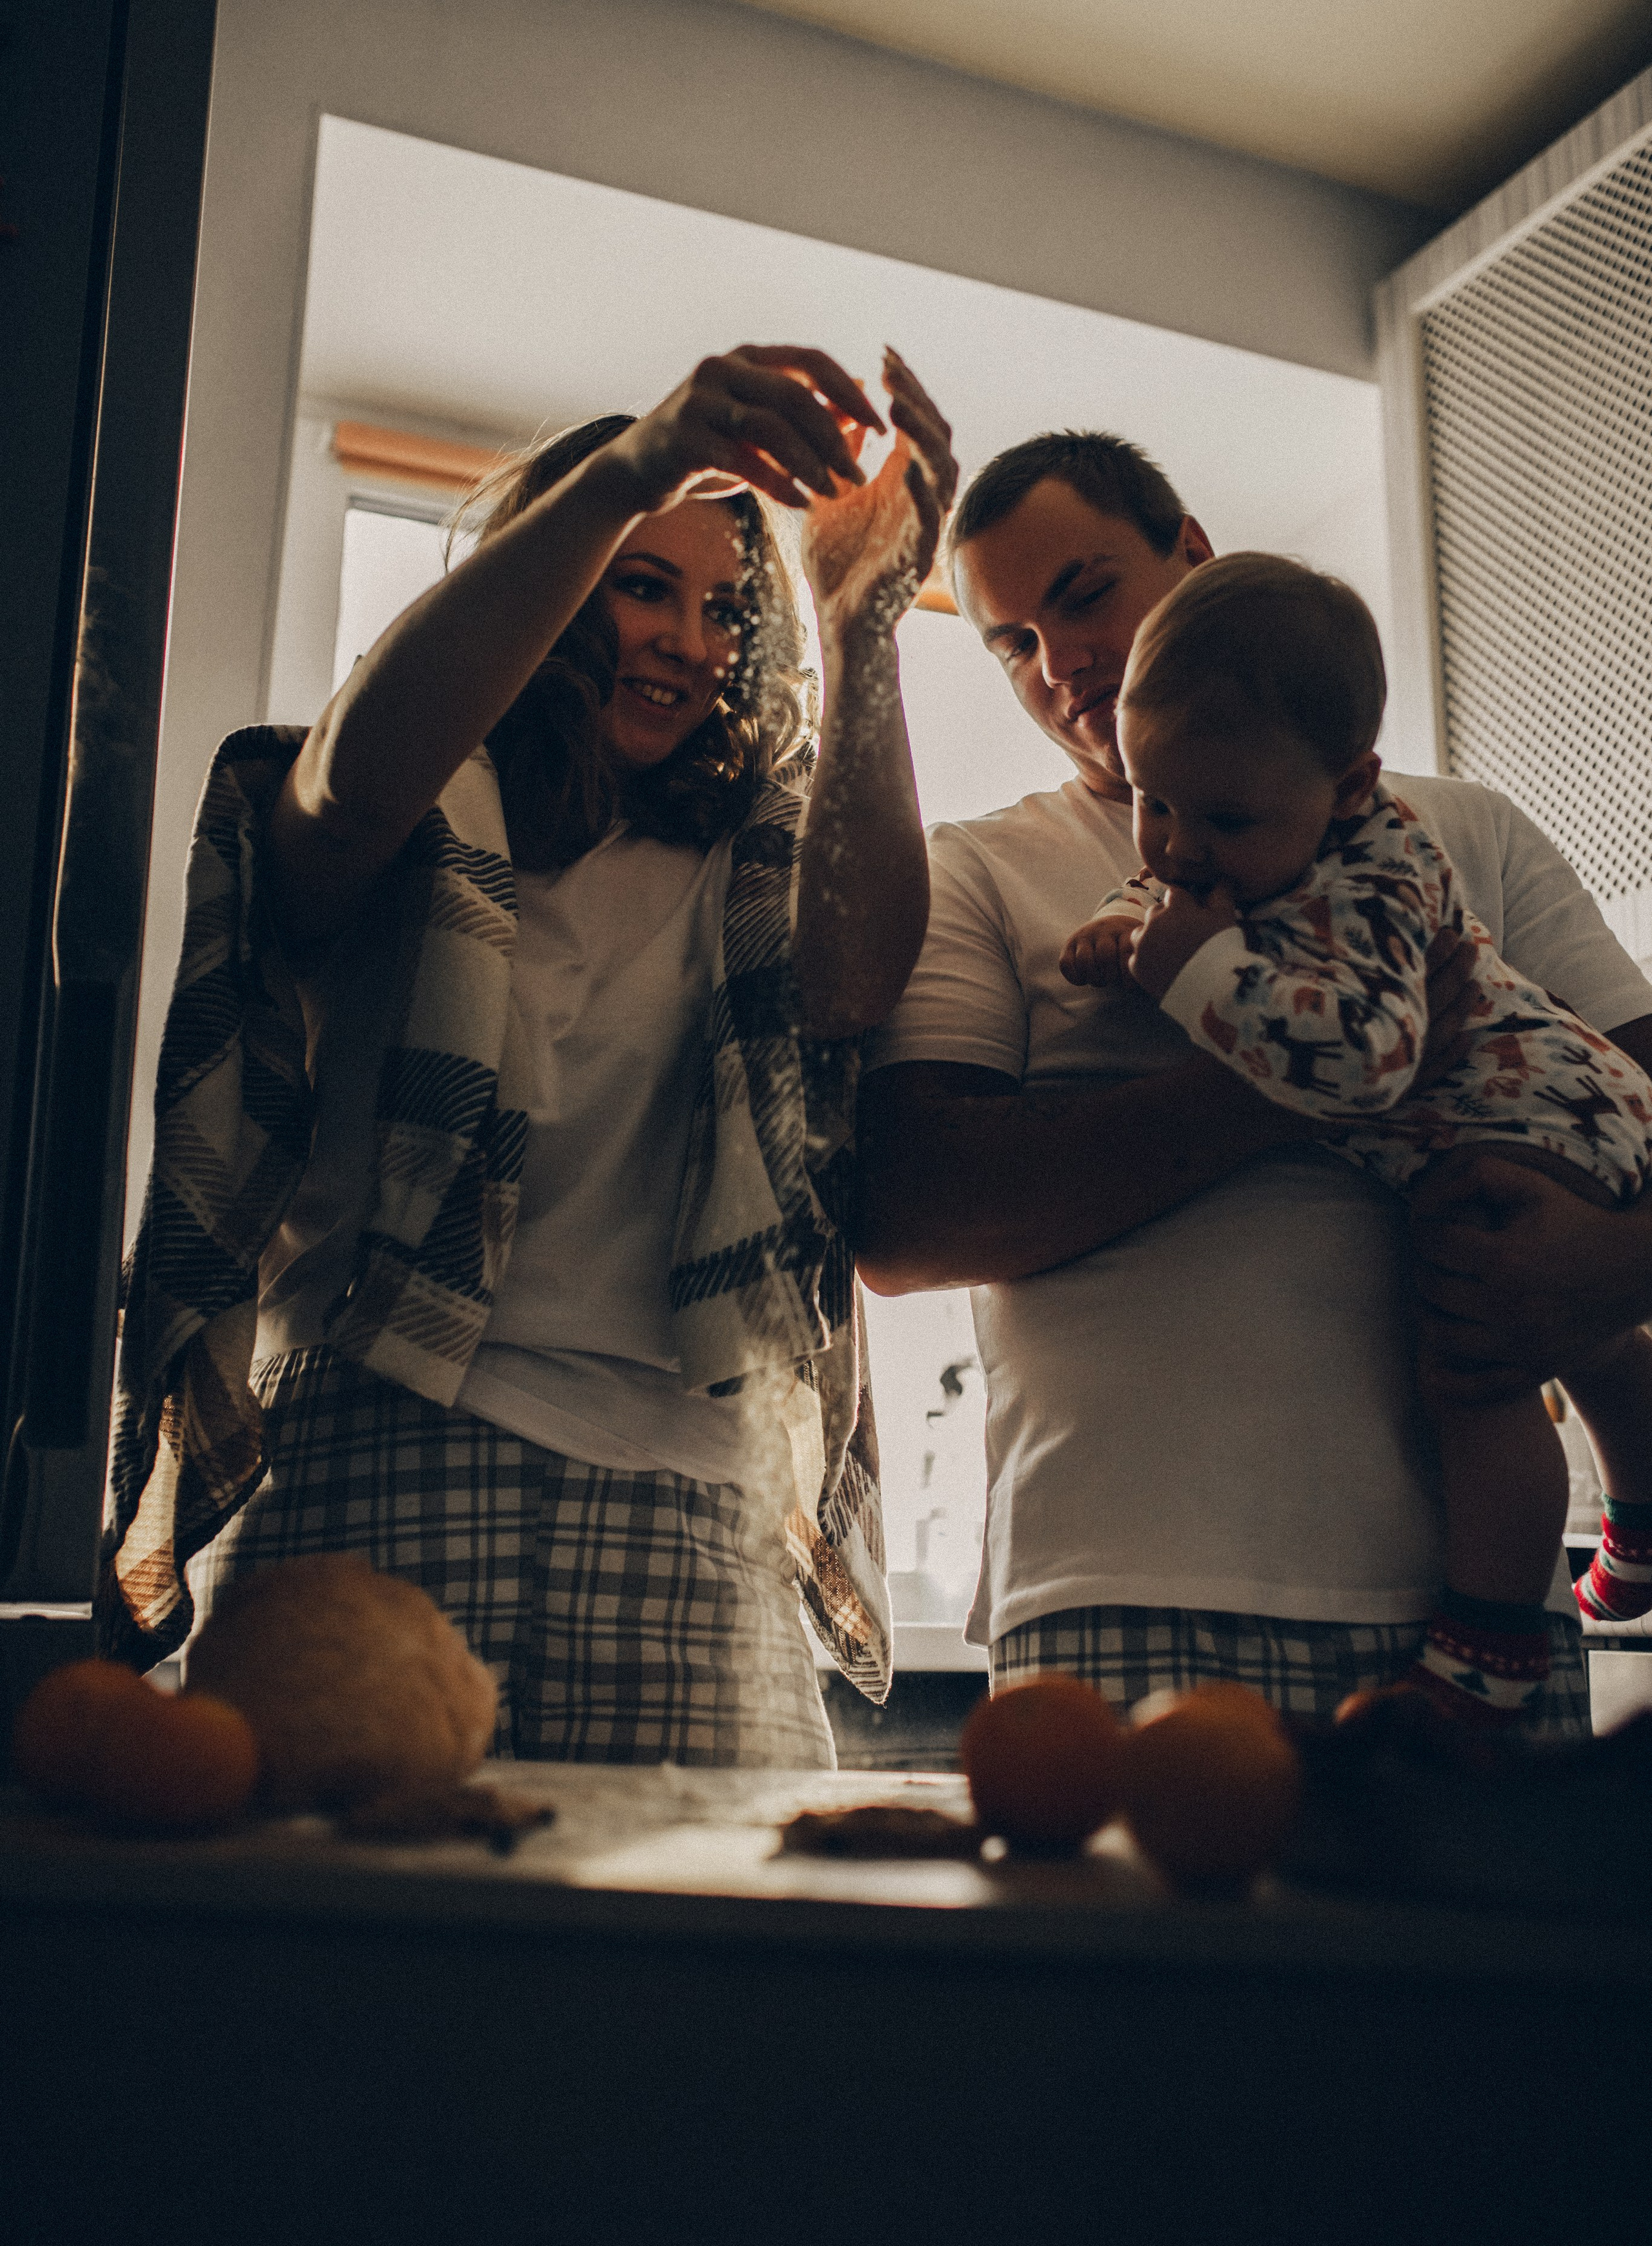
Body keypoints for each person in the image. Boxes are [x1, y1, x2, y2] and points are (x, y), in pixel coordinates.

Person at [102, 344, 958, 1770]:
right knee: (330, 1906)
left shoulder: (751, 862)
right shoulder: (417, 804)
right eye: (644, 585)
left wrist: (863, 628)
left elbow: (858, 981)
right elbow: (342, 786)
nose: (687, 640)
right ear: (554, 576)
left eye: (725, 609)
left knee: (706, 1921)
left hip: (697, 1503)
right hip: (377, 1462)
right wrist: (635, 469)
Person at [854, 429, 1652, 1732]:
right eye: (1009, 642)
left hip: (1470, 1595)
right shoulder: (978, 871)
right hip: (1115, 1574)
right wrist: (1299, 1075)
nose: (1058, 662)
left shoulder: (1459, 834)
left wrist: (1609, 1269)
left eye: (1084, 595)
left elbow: (1632, 1110)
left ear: (1192, 554)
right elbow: (907, 1224)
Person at [1058, 551, 1652, 1724]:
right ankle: (1643, 1501)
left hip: (1536, 1111)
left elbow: (1370, 1062)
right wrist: (1129, 921)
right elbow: (1189, 894)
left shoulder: (1381, 877)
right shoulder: (1252, 835)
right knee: (1581, 1338)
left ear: (1348, 787)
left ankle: (1487, 1657)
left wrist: (1190, 975)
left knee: (1475, 1361)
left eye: (1221, 819)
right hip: (1528, 1109)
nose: (1178, 847)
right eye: (1151, 802)